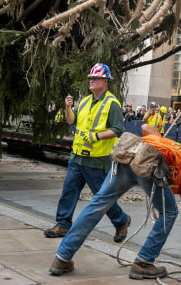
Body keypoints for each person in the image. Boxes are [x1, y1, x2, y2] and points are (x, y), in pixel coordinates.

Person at [49, 124, 181, 279]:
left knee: (97, 204)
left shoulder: (171, 145)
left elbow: (145, 127)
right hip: (148, 165)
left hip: (127, 156)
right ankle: (144, 263)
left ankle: (62, 258)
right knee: (170, 212)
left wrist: (159, 138)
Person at [44, 63, 131, 243]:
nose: (91, 81)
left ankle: (121, 221)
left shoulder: (112, 103)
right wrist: (68, 107)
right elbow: (71, 121)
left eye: (95, 78)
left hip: (97, 161)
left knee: (101, 198)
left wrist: (96, 137)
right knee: (69, 191)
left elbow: (118, 129)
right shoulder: (84, 101)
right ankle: (63, 224)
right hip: (77, 157)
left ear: (105, 81)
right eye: (90, 78)